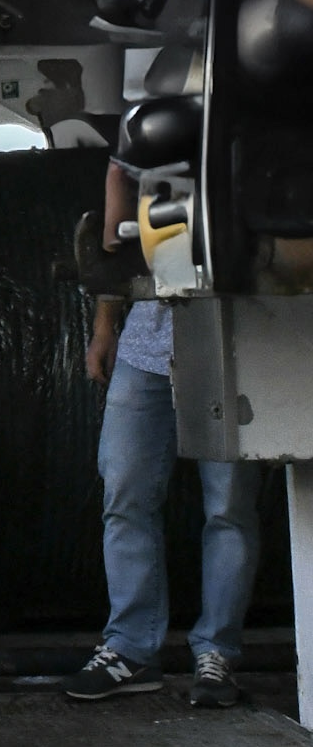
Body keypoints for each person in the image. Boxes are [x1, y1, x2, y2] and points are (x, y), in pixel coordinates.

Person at [72, 160, 261, 707]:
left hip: (232, 346)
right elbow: (120, 242)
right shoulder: (158, 139)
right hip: (145, 348)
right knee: (125, 492)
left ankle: (217, 654)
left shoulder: (256, 140)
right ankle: (131, 648)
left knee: (229, 507)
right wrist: (105, 328)